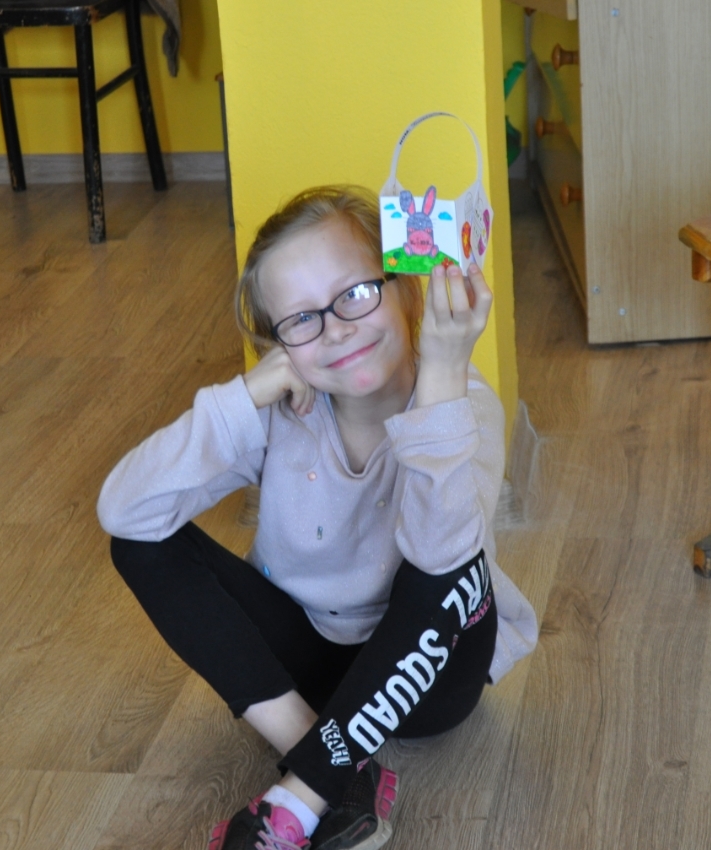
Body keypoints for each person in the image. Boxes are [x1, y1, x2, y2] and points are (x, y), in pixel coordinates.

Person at [98, 186, 538, 850]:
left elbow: (443, 558)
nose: (335, 329)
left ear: (405, 288)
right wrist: (245, 395)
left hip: (432, 677)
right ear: (278, 346)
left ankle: (302, 794)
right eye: (301, 319)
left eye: (355, 293)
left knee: (454, 570)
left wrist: (445, 370)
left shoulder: (462, 402)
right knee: (140, 544)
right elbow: (124, 510)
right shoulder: (282, 410)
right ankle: (331, 763)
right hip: (312, 666)